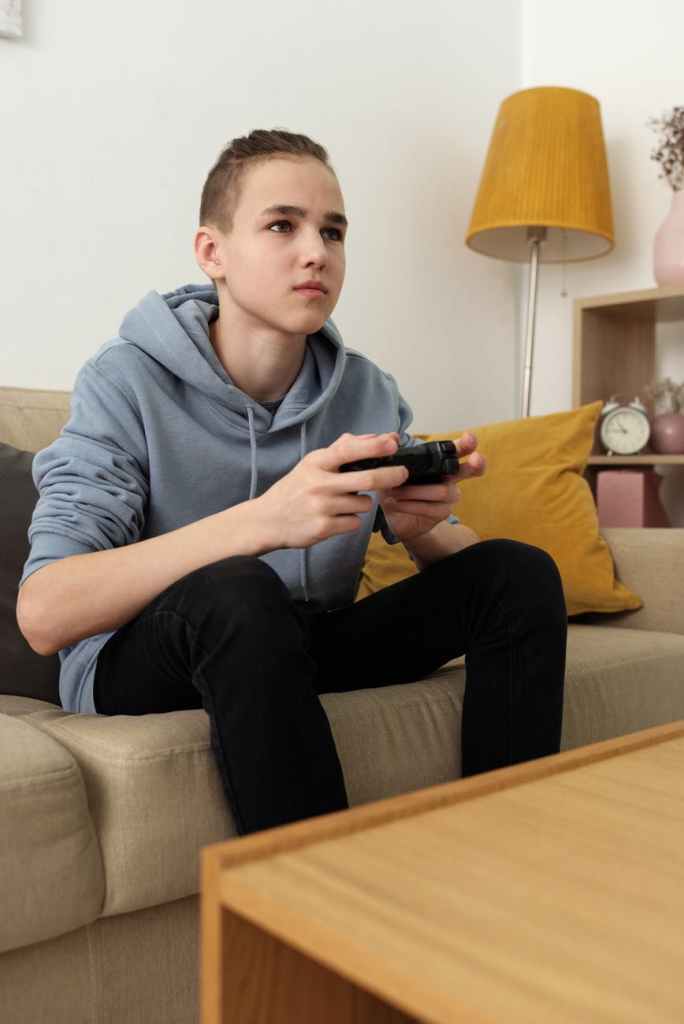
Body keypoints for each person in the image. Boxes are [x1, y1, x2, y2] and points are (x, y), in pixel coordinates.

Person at [16, 128, 567, 836]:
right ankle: (313, 890)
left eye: (332, 232)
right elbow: (44, 612)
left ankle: (514, 853)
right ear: (212, 251)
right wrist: (263, 521)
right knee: (240, 588)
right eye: (283, 225)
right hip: (144, 658)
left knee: (516, 573)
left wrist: (421, 531)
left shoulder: (365, 389)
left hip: (299, 642)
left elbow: (470, 574)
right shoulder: (123, 381)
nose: (317, 252)